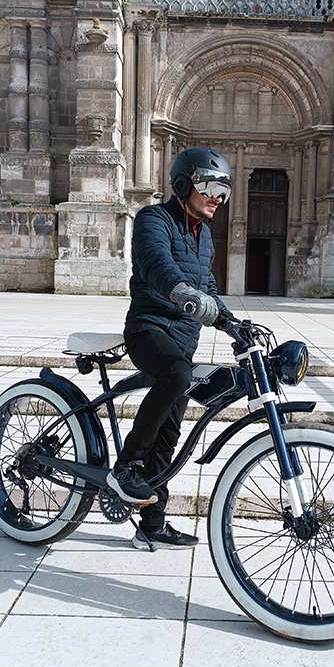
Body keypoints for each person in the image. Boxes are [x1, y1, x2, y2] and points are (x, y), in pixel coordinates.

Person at [106, 146, 234, 550]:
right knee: (176, 374)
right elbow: (155, 263)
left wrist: (234, 324)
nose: (218, 197)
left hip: (182, 339)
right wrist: (182, 293)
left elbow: (208, 287)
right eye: (211, 186)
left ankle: (152, 523)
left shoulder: (205, 235)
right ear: (183, 183)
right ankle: (125, 467)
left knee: (169, 433)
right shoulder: (152, 219)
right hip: (148, 329)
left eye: (224, 192)